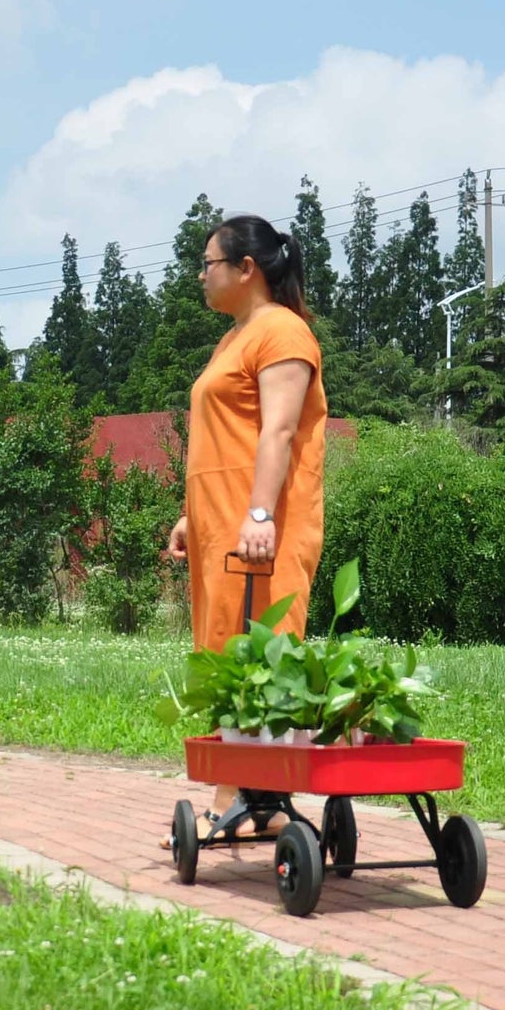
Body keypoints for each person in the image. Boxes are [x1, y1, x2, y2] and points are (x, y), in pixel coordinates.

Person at [165, 213, 327, 843]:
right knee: (228, 654)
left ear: (246, 269)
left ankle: (236, 800)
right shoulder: (234, 337)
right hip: (221, 528)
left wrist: (259, 513)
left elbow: (279, 431)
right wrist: (192, 512)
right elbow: (223, 434)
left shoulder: (282, 333)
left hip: (265, 529)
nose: (201, 276)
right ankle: (261, 802)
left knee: (260, 654)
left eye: (208, 264)